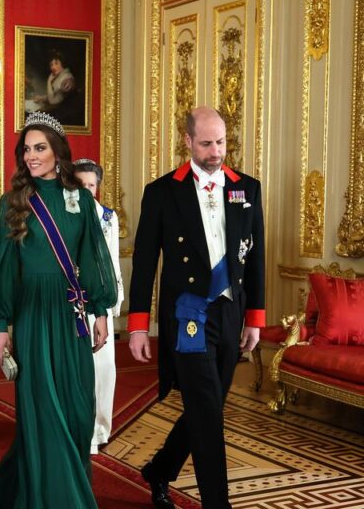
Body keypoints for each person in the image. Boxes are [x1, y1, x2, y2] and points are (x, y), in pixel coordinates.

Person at [127, 106, 264, 509]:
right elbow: (145, 263)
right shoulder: (162, 192)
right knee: (205, 410)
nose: (216, 151)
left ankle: (160, 469)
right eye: (206, 143)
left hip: (229, 313)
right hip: (187, 314)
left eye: (221, 142)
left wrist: (254, 318)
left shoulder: (247, 189)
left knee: (208, 406)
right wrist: (138, 325)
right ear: (187, 141)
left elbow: (254, 258)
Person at [0, 112, 117, 508]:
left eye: (40, 148)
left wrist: (101, 311)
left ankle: (16, 484)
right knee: (44, 407)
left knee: (76, 407)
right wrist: (1, 324)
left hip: (72, 314)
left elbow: (93, 255)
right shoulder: (13, 202)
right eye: (26, 149)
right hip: (33, 314)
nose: (32, 156)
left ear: (58, 151)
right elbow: (3, 267)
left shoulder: (80, 199)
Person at [73, 158, 124, 454]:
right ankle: (74, 427)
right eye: (81, 185)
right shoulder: (62, 217)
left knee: (103, 367)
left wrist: (113, 300)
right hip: (70, 300)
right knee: (75, 368)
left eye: (91, 185)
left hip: (99, 301)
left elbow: (113, 260)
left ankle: (98, 429)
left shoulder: (107, 217)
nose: (86, 190)